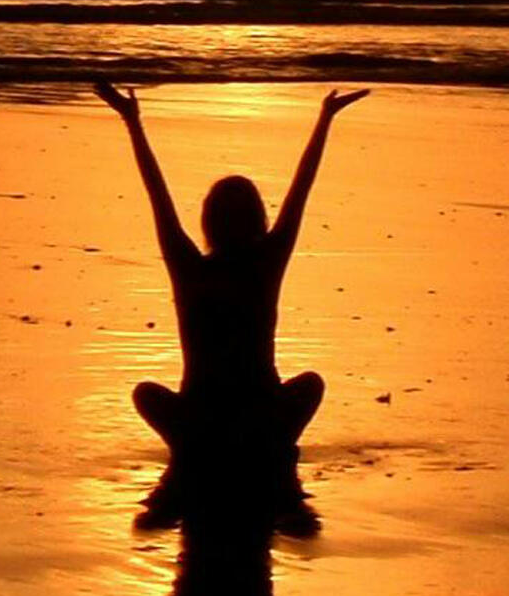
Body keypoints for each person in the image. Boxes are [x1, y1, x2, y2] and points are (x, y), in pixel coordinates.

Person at [94, 82, 367, 486]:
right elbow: (300, 191)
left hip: (201, 420)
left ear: (209, 220)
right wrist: (323, 119)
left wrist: (132, 121)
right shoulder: (265, 262)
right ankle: (259, 445)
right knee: (310, 385)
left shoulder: (190, 266)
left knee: (146, 394)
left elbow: (157, 193)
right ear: (258, 218)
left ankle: (206, 446)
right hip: (260, 416)